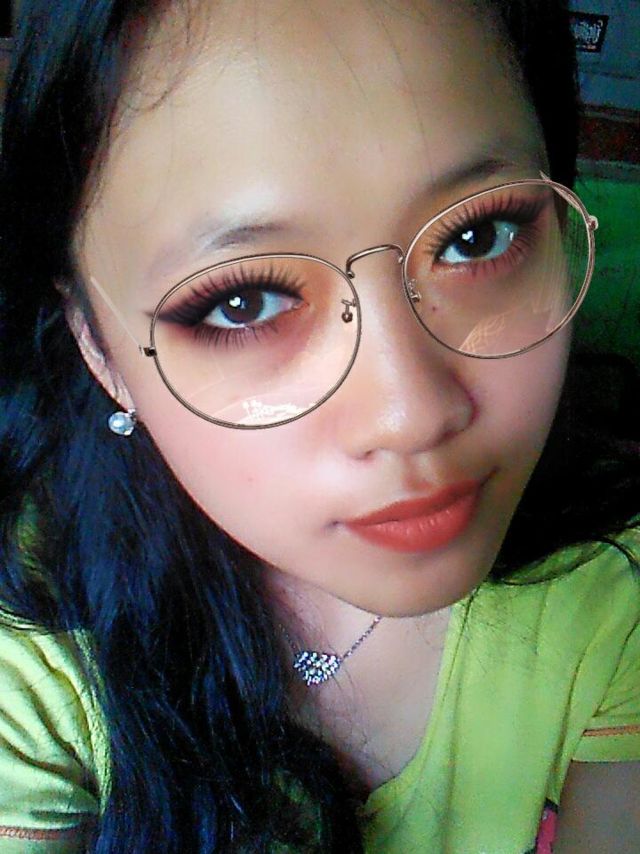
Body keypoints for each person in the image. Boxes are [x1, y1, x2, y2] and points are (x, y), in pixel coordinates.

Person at [0, 0, 639, 851]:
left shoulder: (611, 592)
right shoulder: (34, 663)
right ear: (98, 349)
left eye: (477, 237)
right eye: (242, 302)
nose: (413, 415)